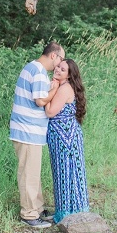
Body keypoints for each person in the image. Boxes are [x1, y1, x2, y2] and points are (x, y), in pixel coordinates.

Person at [9, 42, 64, 228]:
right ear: (53, 56)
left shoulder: (32, 67)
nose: (59, 64)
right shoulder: (39, 72)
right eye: (60, 59)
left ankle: (38, 209)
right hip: (27, 130)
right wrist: (55, 89)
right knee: (28, 173)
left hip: (28, 130)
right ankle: (29, 214)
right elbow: (40, 101)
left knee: (33, 172)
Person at [45, 58, 90, 223]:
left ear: (69, 75)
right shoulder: (64, 87)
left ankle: (66, 213)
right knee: (69, 172)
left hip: (64, 138)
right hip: (66, 135)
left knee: (64, 172)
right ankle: (74, 209)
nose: (57, 70)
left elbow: (50, 112)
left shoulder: (63, 89)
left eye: (63, 69)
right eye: (58, 66)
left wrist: (49, 94)